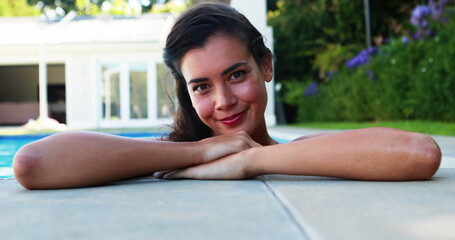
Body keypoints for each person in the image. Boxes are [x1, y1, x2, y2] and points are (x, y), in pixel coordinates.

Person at [13, 3, 441, 190]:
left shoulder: (301, 154)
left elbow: (419, 153)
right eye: (201, 86)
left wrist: (250, 158)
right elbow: (32, 164)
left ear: (266, 67)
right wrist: (199, 154)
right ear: (187, 91)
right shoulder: (171, 159)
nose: (223, 100)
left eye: (236, 75)